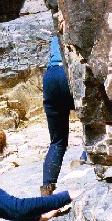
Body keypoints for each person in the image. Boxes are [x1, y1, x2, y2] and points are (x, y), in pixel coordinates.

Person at [41, 34, 78, 196]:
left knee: (57, 140)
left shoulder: (56, 33)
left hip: (50, 76)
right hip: (68, 72)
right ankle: (85, 158)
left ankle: (46, 190)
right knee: (92, 119)